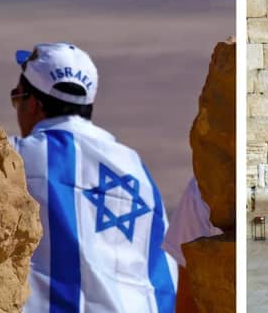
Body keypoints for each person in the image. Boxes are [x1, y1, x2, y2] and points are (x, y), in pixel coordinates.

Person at [10, 43, 177, 311]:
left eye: (17, 97)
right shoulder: (135, 167)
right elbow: (165, 266)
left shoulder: (14, 157)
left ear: (33, 104)